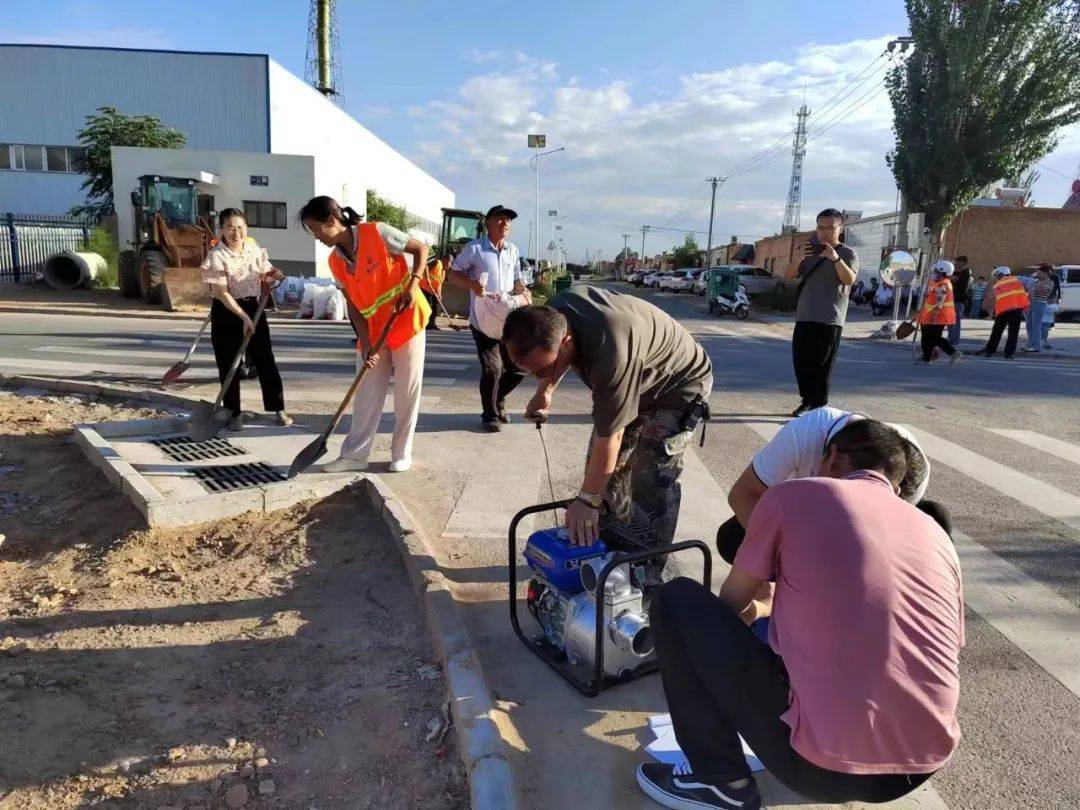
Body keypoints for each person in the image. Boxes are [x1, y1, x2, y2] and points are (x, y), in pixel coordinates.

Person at [636, 419, 963, 810]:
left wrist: (747, 629)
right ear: (896, 484)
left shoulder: (793, 495)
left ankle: (720, 781)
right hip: (919, 766)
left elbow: (731, 604)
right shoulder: (934, 533)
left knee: (677, 603)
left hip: (820, 771)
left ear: (832, 457)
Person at [502, 286, 713, 560]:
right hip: (632, 375)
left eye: (542, 371)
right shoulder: (549, 316)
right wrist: (546, 389)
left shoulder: (610, 353)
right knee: (600, 476)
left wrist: (587, 499)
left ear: (566, 341)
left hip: (676, 383)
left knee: (649, 481)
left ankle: (643, 571)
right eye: (527, 372)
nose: (537, 376)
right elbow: (603, 456)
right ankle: (603, 552)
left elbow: (610, 436)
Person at [716, 406, 945, 566]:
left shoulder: (912, 476)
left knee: (935, 519)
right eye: (840, 489)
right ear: (831, 458)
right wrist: (778, 557)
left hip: (868, 531)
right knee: (732, 539)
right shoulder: (807, 431)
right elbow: (741, 495)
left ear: (893, 490)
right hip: (803, 510)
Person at [298, 196, 430, 473]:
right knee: (366, 394)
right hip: (373, 329)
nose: (316, 237)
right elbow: (353, 306)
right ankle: (354, 455)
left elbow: (420, 249)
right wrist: (366, 343)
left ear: (331, 221)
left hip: (406, 319)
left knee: (406, 392)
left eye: (316, 229)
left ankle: (401, 453)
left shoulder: (377, 232)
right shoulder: (335, 261)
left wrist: (413, 284)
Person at [199, 208, 290, 431]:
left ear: (246, 228)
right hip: (226, 310)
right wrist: (243, 317)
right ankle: (234, 413)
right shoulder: (216, 256)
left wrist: (274, 273)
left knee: (265, 358)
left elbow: (265, 270)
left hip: (253, 306)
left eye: (240, 227)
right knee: (229, 362)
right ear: (221, 229)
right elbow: (221, 293)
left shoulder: (253, 248)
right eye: (230, 227)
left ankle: (277, 407)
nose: (236, 232)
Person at [449, 205, 530, 432]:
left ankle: (498, 398)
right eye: (500, 219)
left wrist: (524, 292)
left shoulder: (513, 250)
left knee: (519, 367)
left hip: (507, 319)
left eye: (508, 221)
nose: (505, 224)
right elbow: (453, 274)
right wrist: (472, 285)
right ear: (488, 223)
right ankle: (490, 414)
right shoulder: (475, 249)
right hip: (483, 320)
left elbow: (517, 281)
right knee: (493, 368)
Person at [784, 208, 859, 417]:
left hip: (829, 318)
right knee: (801, 363)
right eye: (820, 227)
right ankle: (807, 400)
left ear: (840, 229)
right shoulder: (810, 253)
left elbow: (849, 279)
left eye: (830, 228)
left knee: (821, 366)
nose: (824, 232)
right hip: (804, 315)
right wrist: (799, 257)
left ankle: (817, 405)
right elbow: (789, 275)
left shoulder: (847, 253)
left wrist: (835, 258)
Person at [975, 266, 1029, 359]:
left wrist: (986, 310)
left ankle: (989, 350)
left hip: (1003, 311)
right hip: (1016, 310)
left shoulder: (998, 284)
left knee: (997, 332)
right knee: (1013, 333)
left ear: (1000, 274)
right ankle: (1009, 353)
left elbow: (991, 298)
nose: (996, 277)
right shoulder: (1017, 280)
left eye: (996, 275)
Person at [915, 259, 961, 365]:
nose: (934, 272)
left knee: (932, 337)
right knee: (928, 336)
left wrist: (934, 315)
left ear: (942, 271)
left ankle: (932, 357)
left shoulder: (943, 284)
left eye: (936, 270)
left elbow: (940, 301)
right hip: (929, 314)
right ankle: (928, 356)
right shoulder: (937, 282)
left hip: (938, 316)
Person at [1023, 263, 1056, 353]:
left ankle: (1036, 346)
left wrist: (1032, 283)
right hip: (1031, 303)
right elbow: (1027, 289)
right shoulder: (1036, 281)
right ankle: (1030, 344)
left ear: (1045, 273)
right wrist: (1030, 284)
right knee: (1029, 325)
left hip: (1040, 303)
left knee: (1036, 325)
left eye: (1039, 272)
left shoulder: (1050, 282)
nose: (1037, 274)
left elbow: (1043, 290)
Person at [420, 251, 449, 330]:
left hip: (433, 291)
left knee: (435, 306)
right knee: (428, 306)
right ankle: (426, 323)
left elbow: (439, 284)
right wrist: (428, 279)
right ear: (445, 260)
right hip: (425, 288)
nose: (450, 265)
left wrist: (439, 295)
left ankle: (432, 323)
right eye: (449, 262)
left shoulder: (443, 272)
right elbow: (426, 266)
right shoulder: (437, 262)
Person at [947, 255, 971, 339]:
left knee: (956, 320)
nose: (955, 263)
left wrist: (949, 276)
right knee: (949, 320)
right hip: (950, 299)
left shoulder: (965, 272)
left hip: (958, 300)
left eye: (957, 261)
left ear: (963, 263)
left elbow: (955, 279)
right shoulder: (953, 271)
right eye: (955, 261)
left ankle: (954, 339)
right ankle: (950, 337)